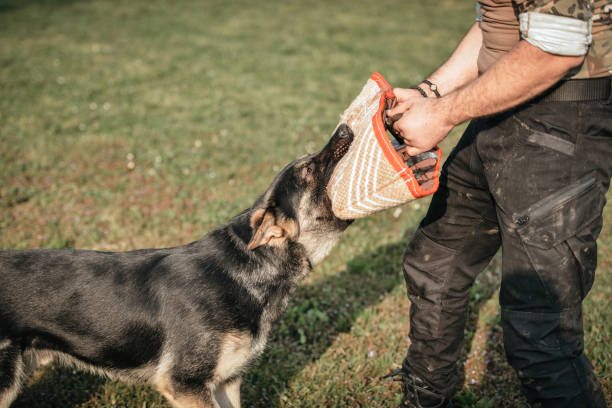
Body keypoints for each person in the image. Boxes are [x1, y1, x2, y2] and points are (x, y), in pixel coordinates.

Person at [385, 1, 611, 407]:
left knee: (540, 331)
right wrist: (428, 93)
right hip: (499, 107)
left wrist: (440, 114)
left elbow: (555, 50)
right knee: (435, 263)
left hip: (561, 118)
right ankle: (423, 399)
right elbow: (498, 22)